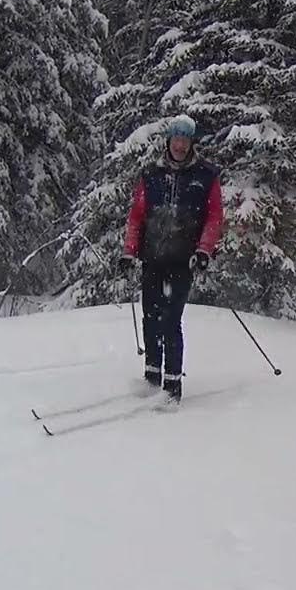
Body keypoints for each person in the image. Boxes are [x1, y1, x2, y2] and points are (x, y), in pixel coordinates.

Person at [119, 114, 224, 403]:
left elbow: (214, 217)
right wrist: (129, 251)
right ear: (169, 140)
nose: (180, 145)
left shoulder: (205, 175)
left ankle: (172, 385)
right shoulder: (151, 174)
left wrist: (204, 250)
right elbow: (137, 216)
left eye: (185, 140)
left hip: (183, 259)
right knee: (150, 318)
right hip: (152, 256)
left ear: (191, 143)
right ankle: (152, 376)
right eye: (176, 139)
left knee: (171, 320)